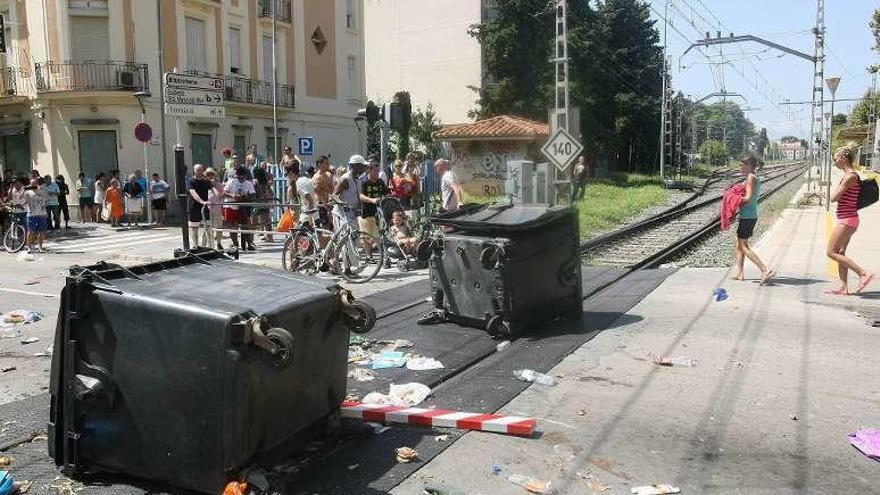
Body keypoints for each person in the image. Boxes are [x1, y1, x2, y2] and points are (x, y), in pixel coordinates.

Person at [826, 145, 874, 295]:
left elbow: (834, 198)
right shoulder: (849, 175)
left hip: (847, 220)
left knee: (831, 252)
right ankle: (843, 287)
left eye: (836, 159)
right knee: (841, 252)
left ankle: (863, 273)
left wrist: (835, 190)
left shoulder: (850, 176)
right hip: (848, 218)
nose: (834, 163)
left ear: (844, 158)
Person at [732, 156, 773, 284]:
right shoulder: (753, 177)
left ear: (751, 166)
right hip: (748, 215)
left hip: (748, 216)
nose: (741, 167)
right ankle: (740, 273)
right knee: (738, 244)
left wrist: (733, 199)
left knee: (743, 246)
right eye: (741, 165)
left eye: (744, 165)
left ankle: (764, 269)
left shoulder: (751, 178)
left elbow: (748, 198)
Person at [224, 166, 257, 251]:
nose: (241, 179)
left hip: (242, 207)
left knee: (245, 226)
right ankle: (235, 244)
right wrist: (233, 196)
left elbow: (253, 195)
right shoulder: (231, 182)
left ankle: (248, 244)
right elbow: (224, 192)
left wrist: (246, 196)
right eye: (239, 177)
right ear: (236, 175)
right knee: (233, 226)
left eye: (243, 177)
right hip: (231, 206)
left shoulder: (248, 183)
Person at [332, 155, 367, 232]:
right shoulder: (346, 179)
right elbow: (334, 195)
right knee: (344, 239)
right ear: (355, 166)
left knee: (354, 239)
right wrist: (341, 203)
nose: (364, 168)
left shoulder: (357, 179)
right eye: (362, 166)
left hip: (353, 214)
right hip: (342, 215)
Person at [358, 162, 388, 241]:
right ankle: (368, 253)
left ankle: (375, 250)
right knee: (366, 238)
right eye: (376, 171)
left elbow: (386, 193)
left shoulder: (380, 182)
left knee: (376, 237)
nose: (378, 173)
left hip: (378, 214)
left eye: (378, 171)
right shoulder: (364, 182)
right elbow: (360, 196)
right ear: (369, 171)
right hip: (366, 212)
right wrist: (372, 200)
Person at [188, 164, 211, 247]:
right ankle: (195, 245)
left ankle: (204, 245)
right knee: (194, 228)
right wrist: (201, 201)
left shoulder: (206, 181)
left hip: (205, 207)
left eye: (201, 170)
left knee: (208, 227)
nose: (200, 172)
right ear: (194, 171)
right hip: (194, 207)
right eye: (198, 170)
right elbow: (193, 193)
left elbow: (212, 190)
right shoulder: (191, 181)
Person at [24, 178, 49, 253]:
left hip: (42, 214)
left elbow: (47, 198)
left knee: (41, 232)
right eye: (32, 183)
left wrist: (42, 190)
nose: (34, 185)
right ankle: (28, 247)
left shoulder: (42, 190)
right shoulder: (27, 192)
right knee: (31, 231)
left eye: (35, 183)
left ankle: (40, 247)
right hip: (32, 214)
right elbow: (26, 199)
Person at [252, 167, 275, 242]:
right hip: (265, 203)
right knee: (267, 222)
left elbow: (253, 192)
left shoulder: (255, 181)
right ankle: (270, 237)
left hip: (257, 203)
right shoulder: (265, 182)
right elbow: (271, 193)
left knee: (253, 222)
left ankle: (250, 239)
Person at [205, 168, 226, 250]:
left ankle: (219, 243)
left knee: (219, 227)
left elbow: (222, 195)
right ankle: (209, 244)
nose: (210, 177)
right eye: (208, 175)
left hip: (217, 208)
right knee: (208, 227)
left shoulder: (218, 185)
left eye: (212, 174)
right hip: (207, 209)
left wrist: (215, 187)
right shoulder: (204, 185)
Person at [313, 155, 335, 228]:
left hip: (327, 203)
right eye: (326, 163)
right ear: (320, 164)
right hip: (321, 204)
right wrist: (326, 206)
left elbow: (332, 190)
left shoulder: (327, 175)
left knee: (330, 227)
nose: (328, 165)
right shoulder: (317, 177)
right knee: (324, 227)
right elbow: (318, 192)